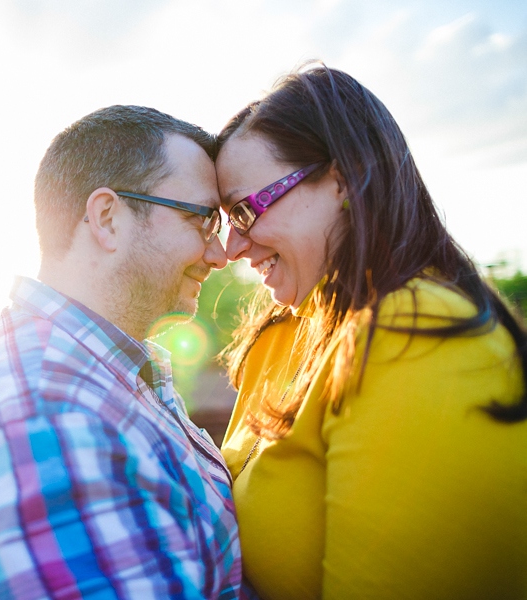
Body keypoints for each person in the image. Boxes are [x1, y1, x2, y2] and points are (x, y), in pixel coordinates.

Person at [0, 105, 242, 599]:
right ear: (107, 217)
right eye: (201, 219)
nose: (220, 254)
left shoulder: (93, 373)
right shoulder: (46, 414)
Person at [215, 63, 527, 599]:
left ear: (341, 180)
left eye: (247, 210)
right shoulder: (286, 331)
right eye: (224, 220)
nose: (232, 248)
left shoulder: (417, 334)